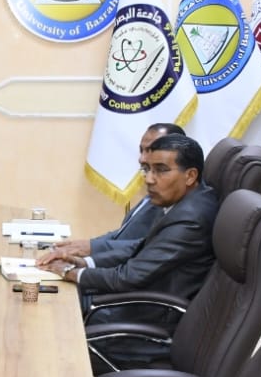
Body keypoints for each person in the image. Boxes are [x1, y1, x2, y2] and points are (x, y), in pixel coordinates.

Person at [52, 134, 220, 331]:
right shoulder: (187, 202)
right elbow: (141, 246)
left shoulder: (191, 218)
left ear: (190, 176)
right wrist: (84, 263)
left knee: (55, 316)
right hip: (133, 305)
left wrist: (68, 273)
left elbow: (128, 277)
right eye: (147, 169)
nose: (149, 179)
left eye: (161, 170)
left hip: (144, 320)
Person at [38, 122, 185, 271]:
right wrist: (85, 245)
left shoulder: (173, 199)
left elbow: (142, 246)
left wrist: (87, 255)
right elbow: (121, 235)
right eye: (142, 150)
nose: (142, 158)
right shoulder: (154, 191)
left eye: (152, 150)